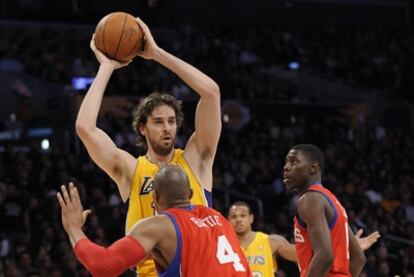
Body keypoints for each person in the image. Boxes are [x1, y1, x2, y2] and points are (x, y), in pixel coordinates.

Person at [75, 17, 221, 275]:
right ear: (142, 128)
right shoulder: (131, 169)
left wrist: (156, 54)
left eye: (172, 121)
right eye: (158, 122)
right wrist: (107, 66)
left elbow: (211, 92)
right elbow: (85, 129)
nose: (167, 127)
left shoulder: (196, 158)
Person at [57, 166, 251, 277]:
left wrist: (73, 228)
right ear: (191, 194)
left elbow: (104, 266)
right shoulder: (218, 218)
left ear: (155, 197)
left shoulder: (159, 226)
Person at [228, 202, 379, 276]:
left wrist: (349, 247)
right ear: (228, 221)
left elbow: (309, 256)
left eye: (243, 215)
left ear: (251, 218)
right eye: (234, 217)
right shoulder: (224, 245)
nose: (239, 220)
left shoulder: (270, 241)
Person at [283, 144, 366, 276]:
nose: (286, 167)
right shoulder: (331, 200)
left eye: (293, 161)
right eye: (286, 162)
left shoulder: (310, 199)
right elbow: (359, 258)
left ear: (313, 167)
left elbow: (325, 256)